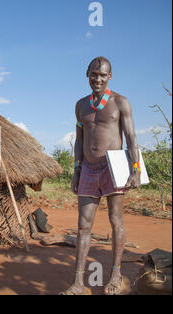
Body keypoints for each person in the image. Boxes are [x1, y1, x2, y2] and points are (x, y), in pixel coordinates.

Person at [60, 57, 141, 295]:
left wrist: (135, 168)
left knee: (116, 220)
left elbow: (131, 137)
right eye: (94, 74)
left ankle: (115, 275)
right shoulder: (80, 106)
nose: (97, 79)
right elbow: (80, 140)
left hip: (113, 166)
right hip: (87, 168)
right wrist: (76, 170)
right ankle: (77, 283)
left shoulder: (120, 102)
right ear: (87, 73)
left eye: (102, 75)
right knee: (83, 225)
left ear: (110, 77)